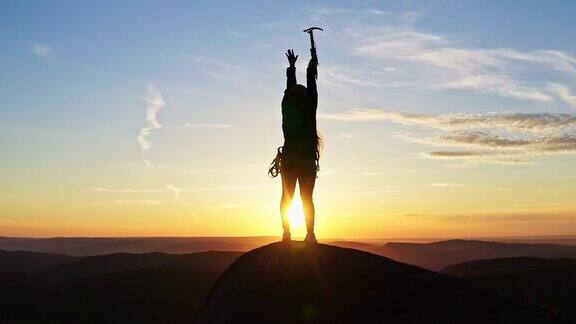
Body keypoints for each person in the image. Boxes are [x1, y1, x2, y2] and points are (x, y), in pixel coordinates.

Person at [277, 48, 321, 243]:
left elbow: (290, 89)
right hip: (306, 160)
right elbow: (311, 88)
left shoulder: (287, 107)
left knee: (287, 197)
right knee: (307, 199)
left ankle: (287, 233)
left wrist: (292, 68)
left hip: (289, 159)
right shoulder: (309, 109)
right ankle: (310, 234)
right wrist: (311, 67)